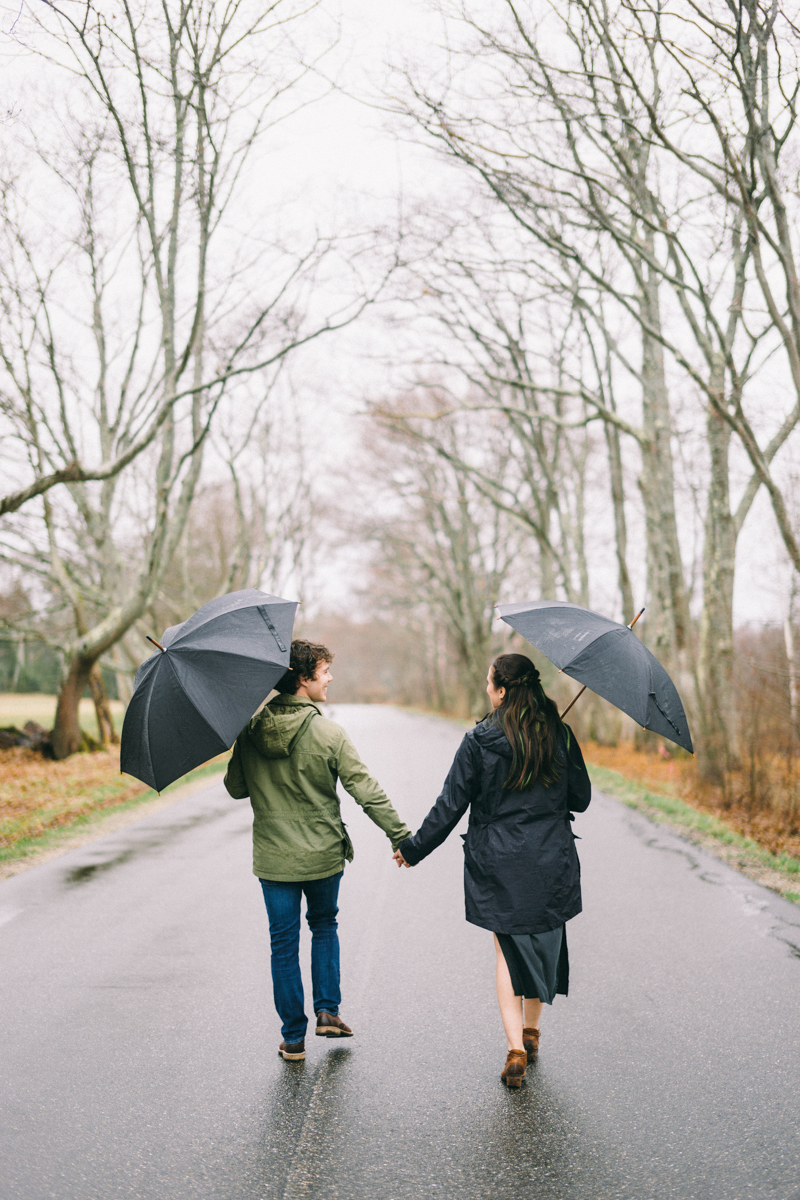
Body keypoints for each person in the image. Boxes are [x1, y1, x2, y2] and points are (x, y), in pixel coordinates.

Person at [394, 652, 591, 1088]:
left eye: (490, 683)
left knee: (507, 952)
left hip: (500, 862)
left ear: (502, 691)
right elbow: (580, 799)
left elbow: (451, 805)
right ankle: (534, 1032)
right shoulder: (559, 735)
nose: (487, 689)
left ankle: (516, 1047)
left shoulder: (479, 741)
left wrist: (413, 848)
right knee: (544, 945)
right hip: (550, 859)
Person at [224, 639, 411, 1062]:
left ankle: (293, 1038)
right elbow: (366, 790)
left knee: (283, 945)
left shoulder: (252, 732)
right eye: (324, 671)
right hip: (324, 854)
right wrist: (401, 836)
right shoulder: (329, 732)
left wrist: (242, 742)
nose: (330, 678)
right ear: (303, 680)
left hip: (274, 859)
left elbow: (236, 789)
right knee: (324, 926)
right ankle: (328, 1010)